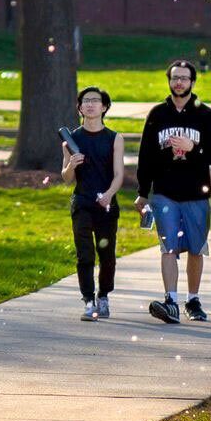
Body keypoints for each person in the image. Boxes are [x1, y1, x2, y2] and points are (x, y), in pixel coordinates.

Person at [134, 59, 211, 324]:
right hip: (164, 193)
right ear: (169, 80)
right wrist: (142, 191)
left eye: (184, 78)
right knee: (168, 248)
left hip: (197, 193)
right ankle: (170, 299)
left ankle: (193, 299)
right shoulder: (157, 114)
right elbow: (145, 156)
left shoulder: (205, 115)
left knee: (196, 248)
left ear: (193, 82)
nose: (179, 82)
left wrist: (192, 147)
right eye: (175, 78)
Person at [61, 86, 127, 322]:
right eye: (85, 101)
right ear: (79, 107)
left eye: (95, 101)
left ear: (104, 107)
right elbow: (67, 178)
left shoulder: (114, 138)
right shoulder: (71, 140)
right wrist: (71, 165)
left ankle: (104, 296)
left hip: (106, 204)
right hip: (82, 202)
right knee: (85, 253)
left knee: (106, 254)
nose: (90, 104)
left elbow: (119, 174)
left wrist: (109, 194)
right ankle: (88, 300)